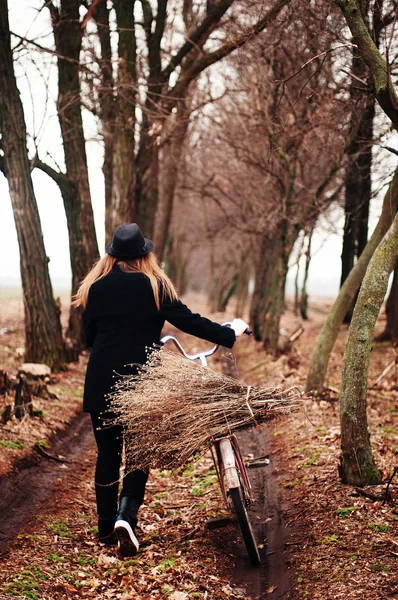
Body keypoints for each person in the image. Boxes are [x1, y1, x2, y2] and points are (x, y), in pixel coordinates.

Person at [73, 223, 249, 557]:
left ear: (111, 255)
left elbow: (88, 338)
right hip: (142, 384)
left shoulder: (95, 288)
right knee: (138, 453)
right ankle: (126, 516)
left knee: (107, 456)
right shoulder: (155, 287)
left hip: (101, 383)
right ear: (145, 254)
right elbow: (190, 321)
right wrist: (228, 334)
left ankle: (104, 531)